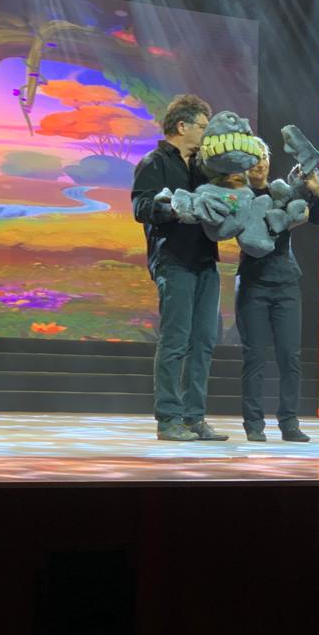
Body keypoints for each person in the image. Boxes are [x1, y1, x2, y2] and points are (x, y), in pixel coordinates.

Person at [131, 94, 229, 442]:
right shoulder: (154, 162)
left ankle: (194, 417)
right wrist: (173, 209)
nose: (207, 133)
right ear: (182, 126)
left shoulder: (204, 167)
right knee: (175, 341)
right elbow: (141, 207)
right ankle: (169, 419)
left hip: (205, 261)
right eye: (203, 126)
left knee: (203, 342)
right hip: (173, 260)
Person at [235, 140, 319, 442]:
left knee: (290, 357)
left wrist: (316, 191)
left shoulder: (283, 192)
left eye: (263, 157)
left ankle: (289, 422)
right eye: (253, 158)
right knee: (255, 357)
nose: (260, 163)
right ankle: (253, 424)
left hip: (286, 283)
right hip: (253, 284)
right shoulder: (238, 196)